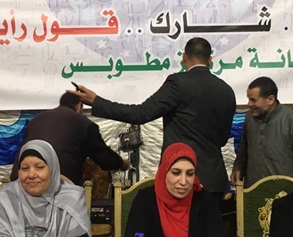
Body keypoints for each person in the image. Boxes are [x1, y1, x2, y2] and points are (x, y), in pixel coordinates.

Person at [72, 37, 236, 195]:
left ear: (184, 57)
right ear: (210, 59)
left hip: (180, 180)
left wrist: (97, 102)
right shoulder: (227, 90)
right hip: (214, 181)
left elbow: (141, 113)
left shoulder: (178, 83)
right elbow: (222, 140)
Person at [122, 143, 226, 237]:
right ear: (164, 171)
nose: (183, 181)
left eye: (190, 174)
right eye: (176, 173)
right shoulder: (145, 200)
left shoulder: (205, 201)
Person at [0, 140, 94, 237]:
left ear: (53, 169)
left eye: (39, 167)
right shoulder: (3, 198)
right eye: (25, 168)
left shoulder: (72, 198)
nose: (31, 175)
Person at [10, 92, 128, 186]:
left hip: (20, 184)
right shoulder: (83, 123)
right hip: (55, 188)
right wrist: (121, 163)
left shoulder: (37, 119)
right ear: (79, 106)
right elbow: (104, 158)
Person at [231, 76, 293, 188]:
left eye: (253, 100)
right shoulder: (249, 117)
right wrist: (238, 167)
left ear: (270, 99)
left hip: (284, 193)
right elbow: (244, 147)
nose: (249, 104)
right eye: (249, 99)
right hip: (252, 191)